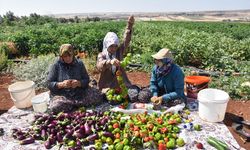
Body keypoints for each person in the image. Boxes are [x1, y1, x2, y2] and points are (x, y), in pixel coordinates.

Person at [96, 16, 151, 103]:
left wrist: (129, 25)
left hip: (122, 84)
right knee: (111, 99)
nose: (114, 48)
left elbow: (126, 40)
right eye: (111, 46)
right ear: (107, 45)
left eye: (115, 45)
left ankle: (137, 90)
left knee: (133, 96)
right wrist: (110, 62)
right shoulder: (102, 55)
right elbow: (100, 65)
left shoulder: (119, 51)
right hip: (107, 86)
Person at [47, 44, 102, 113]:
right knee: (56, 106)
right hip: (63, 95)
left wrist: (79, 83)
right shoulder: (56, 65)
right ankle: (76, 104)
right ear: (61, 56)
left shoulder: (79, 63)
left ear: (73, 54)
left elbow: (86, 79)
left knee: (98, 96)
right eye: (65, 56)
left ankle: (72, 105)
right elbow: (49, 83)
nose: (67, 58)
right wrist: (61, 84)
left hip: (79, 93)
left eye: (69, 55)